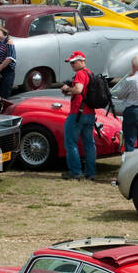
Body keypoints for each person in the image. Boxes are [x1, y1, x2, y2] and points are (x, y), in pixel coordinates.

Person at [60, 51, 97, 181]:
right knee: (89, 144)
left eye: (74, 62)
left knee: (71, 142)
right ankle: (91, 172)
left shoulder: (80, 74)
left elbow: (78, 90)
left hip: (78, 113)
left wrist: (67, 88)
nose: (72, 65)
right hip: (90, 113)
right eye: (71, 63)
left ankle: (75, 172)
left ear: (82, 61)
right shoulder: (90, 74)